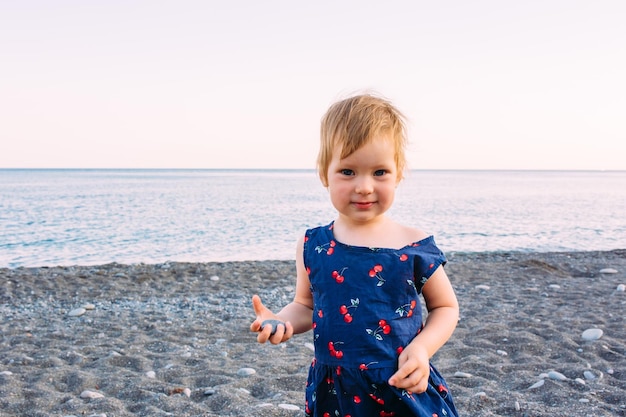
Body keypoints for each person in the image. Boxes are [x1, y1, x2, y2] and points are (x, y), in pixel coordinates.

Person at [250, 93, 460, 417]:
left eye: (379, 172)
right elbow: (306, 306)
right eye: (348, 172)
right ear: (324, 174)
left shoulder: (413, 244)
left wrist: (422, 348)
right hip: (336, 392)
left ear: (398, 173)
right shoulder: (314, 244)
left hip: (400, 384)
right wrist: (280, 321)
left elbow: (445, 307)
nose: (364, 186)